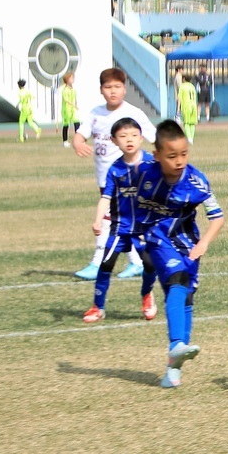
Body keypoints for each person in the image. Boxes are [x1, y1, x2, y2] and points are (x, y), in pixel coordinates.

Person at [133, 119, 225, 388]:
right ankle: (176, 343)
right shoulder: (145, 174)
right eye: (171, 156)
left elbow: (217, 217)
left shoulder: (197, 181)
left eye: (184, 154)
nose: (179, 160)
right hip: (156, 237)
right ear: (157, 155)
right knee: (177, 280)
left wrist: (205, 242)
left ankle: (173, 368)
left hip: (188, 242)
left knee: (187, 297)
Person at [72, 68, 155, 281]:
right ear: (101, 90)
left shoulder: (134, 113)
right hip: (104, 178)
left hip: (127, 178)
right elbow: (81, 134)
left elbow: (154, 137)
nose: (113, 91)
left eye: (117, 87)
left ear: (125, 89)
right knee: (120, 221)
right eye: (108, 87)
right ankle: (136, 262)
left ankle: (98, 262)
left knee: (109, 220)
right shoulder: (96, 113)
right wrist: (78, 143)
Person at [82, 117, 157, 324]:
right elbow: (106, 197)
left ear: (141, 138)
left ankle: (147, 295)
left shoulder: (152, 163)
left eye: (133, 135)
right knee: (106, 264)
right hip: (120, 227)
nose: (129, 140)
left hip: (144, 228)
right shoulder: (115, 169)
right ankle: (98, 306)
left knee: (150, 265)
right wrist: (98, 220)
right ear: (114, 141)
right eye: (123, 136)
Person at [59, 71, 80, 147]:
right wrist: (74, 105)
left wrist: (76, 104)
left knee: (77, 123)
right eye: (71, 78)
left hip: (73, 110)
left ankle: (78, 140)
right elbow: (66, 100)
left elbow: (75, 98)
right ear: (67, 79)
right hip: (66, 110)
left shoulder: (73, 89)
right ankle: (65, 141)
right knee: (66, 125)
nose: (73, 79)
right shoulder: (65, 90)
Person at [176, 75, 199, 143]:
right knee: (192, 123)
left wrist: (178, 109)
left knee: (186, 123)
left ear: (184, 79)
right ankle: (191, 137)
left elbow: (179, 98)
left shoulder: (182, 86)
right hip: (193, 106)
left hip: (186, 106)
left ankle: (189, 138)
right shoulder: (192, 86)